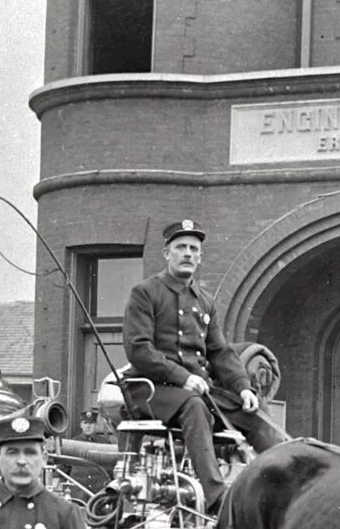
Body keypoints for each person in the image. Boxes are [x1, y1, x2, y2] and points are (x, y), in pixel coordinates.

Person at [121, 218, 286, 509]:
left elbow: (220, 352)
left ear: (199, 257)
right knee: (195, 405)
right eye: (180, 247)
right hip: (152, 391)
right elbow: (139, 350)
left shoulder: (205, 301)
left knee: (255, 410)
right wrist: (183, 377)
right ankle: (216, 498)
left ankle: (288, 484)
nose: (187, 253)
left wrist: (244, 387)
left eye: (193, 249)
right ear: (166, 253)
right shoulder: (146, 293)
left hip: (196, 390)